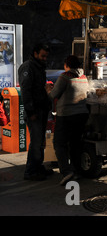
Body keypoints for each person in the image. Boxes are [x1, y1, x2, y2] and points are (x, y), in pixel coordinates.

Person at [46, 55, 90, 186]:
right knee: (75, 143)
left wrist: (48, 89)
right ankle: (76, 170)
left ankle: (66, 172)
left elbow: (53, 95)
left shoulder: (64, 77)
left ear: (67, 65)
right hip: (82, 115)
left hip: (66, 115)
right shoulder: (84, 77)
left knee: (59, 143)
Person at [19, 43, 53, 181]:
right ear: (35, 53)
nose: (45, 58)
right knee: (36, 141)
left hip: (41, 109)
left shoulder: (38, 67)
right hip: (34, 112)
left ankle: (38, 167)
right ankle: (30, 171)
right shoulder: (28, 68)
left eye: (46, 56)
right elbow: (26, 91)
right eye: (42, 56)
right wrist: (30, 111)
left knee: (39, 142)